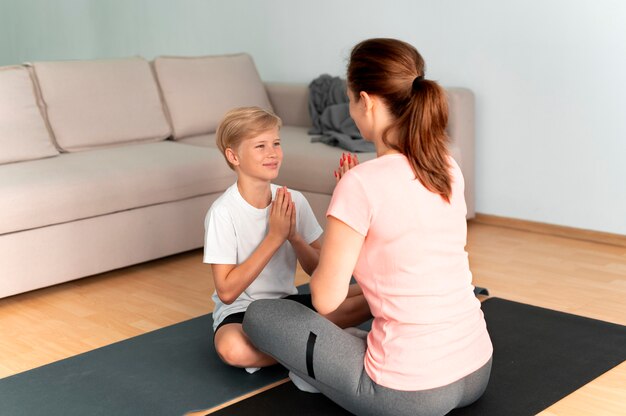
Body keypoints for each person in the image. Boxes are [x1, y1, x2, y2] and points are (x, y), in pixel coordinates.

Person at [243, 39, 493, 416]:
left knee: (260, 316)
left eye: (349, 100)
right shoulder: (447, 167)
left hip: (408, 396)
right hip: (477, 368)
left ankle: (316, 373)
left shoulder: (360, 185)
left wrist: (343, 207)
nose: (350, 109)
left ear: (367, 101)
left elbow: (326, 299)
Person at [204, 106, 370, 372]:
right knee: (231, 348)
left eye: (276, 143)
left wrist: (294, 237)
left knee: (374, 292)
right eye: (260, 146)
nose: (272, 153)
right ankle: (320, 349)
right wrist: (275, 237)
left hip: (288, 308)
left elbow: (320, 271)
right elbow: (226, 292)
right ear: (233, 155)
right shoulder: (222, 213)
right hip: (240, 313)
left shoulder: (294, 200)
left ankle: (306, 348)